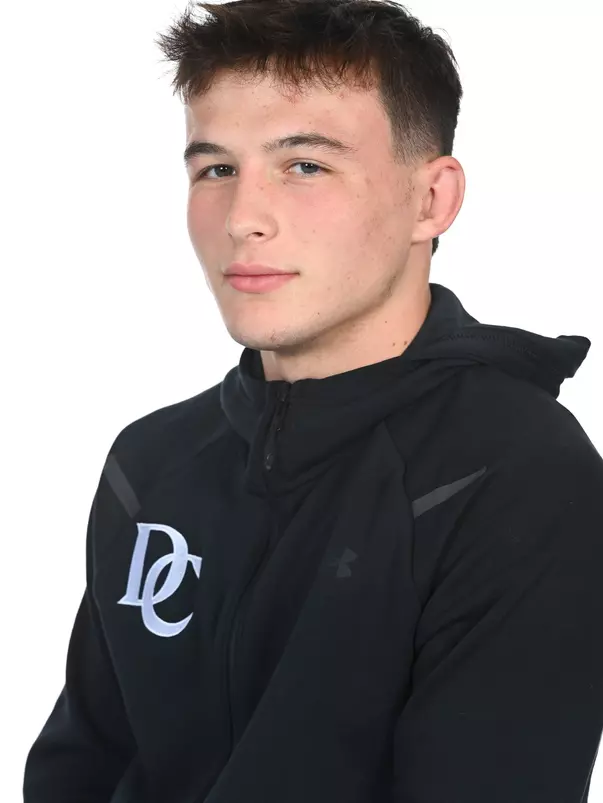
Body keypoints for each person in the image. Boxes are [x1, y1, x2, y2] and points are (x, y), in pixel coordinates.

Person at [23, 0, 603, 801]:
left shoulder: (512, 473)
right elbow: (77, 768)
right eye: (216, 169)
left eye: (305, 165)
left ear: (430, 201)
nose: (242, 219)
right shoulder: (147, 465)